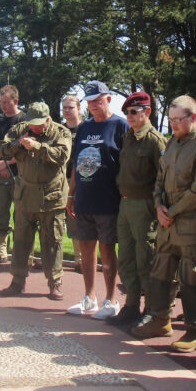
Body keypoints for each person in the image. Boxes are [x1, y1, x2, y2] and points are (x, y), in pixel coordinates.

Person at [131, 95, 196, 353]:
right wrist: (159, 206)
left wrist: (171, 211)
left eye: (177, 120)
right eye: (170, 120)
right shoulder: (171, 145)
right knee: (160, 272)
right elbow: (159, 179)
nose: (173, 125)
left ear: (193, 117)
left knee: (194, 279)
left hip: (192, 226)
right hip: (168, 226)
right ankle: (160, 319)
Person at [0, 102, 72, 299]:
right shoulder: (20, 130)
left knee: (52, 242)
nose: (35, 128)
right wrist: (17, 144)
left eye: (39, 124)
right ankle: (18, 281)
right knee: (21, 239)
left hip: (51, 197)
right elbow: (1, 151)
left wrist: (37, 146)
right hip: (25, 195)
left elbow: (62, 156)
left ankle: (55, 282)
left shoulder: (61, 133)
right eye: (32, 123)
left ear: (48, 119)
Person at [66, 80, 127, 318]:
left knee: (108, 249)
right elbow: (75, 162)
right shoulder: (84, 127)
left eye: (97, 100)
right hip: (84, 198)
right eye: (89, 102)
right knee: (86, 247)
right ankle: (89, 297)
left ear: (108, 99)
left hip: (108, 200)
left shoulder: (120, 126)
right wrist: (71, 194)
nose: (93, 105)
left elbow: (126, 164)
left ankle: (111, 300)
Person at [110, 91, 167, 328]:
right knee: (126, 258)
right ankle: (131, 305)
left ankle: (151, 310)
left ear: (148, 112)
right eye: (127, 113)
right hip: (125, 204)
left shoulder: (155, 140)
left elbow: (163, 178)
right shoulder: (129, 137)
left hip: (145, 205)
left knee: (146, 259)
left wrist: (157, 206)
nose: (130, 116)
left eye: (134, 112)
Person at [0, 85, 27, 265]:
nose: (3, 106)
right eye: (1, 103)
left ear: (15, 101)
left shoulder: (25, 120)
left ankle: (22, 254)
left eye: (6, 103)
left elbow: (27, 149)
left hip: (20, 175)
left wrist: (7, 163)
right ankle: (0, 251)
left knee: (22, 216)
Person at [61, 95, 85, 269]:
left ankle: (81, 260)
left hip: (81, 181)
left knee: (77, 220)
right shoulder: (59, 130)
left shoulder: (87, 129)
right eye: (64, 108)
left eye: (70, 107)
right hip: (60, 180)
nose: (67, 111)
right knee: (56, 221)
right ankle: (54, 260)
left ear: (78, 109)